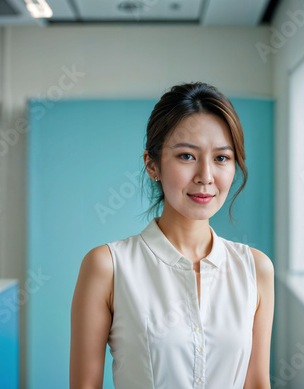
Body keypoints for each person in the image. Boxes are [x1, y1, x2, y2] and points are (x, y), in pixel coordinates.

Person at [70, 82, 274, 389]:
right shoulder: (108, 267)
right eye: (187, 156)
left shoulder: (255, 269)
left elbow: (257, 383)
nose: (206, 176)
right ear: (152, 165)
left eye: (221, 158)